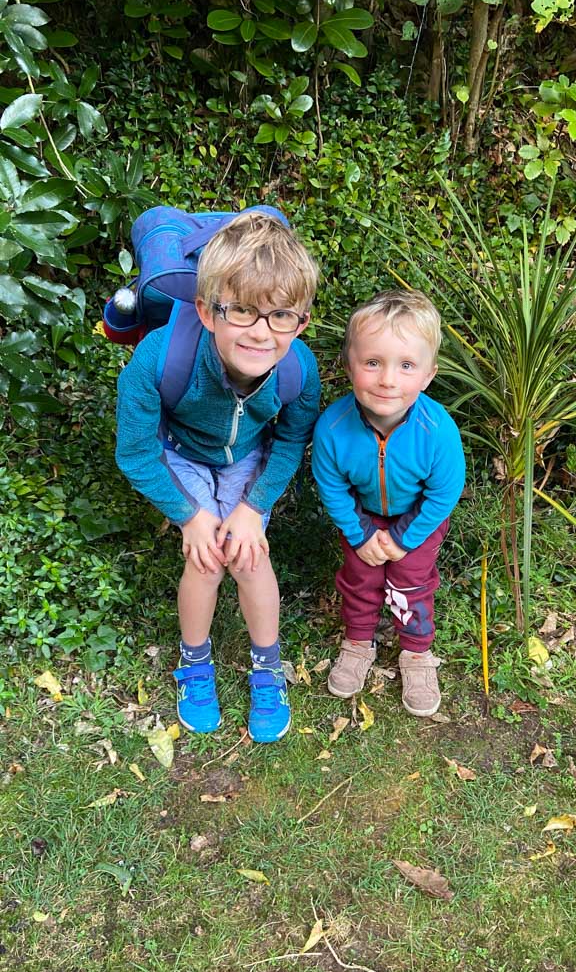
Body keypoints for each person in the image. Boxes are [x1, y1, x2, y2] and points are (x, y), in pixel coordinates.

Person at [116, 212, 320, 742]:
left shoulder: (299, 368)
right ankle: (194, 662)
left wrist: (253, 508)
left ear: (300, 322)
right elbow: (136, 453)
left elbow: (291, 440)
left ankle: (268, 668)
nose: (261, 332)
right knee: (206, 559)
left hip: (246, 457)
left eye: (280, 315)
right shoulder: (158, 358)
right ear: (207, 311)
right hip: (182, 453)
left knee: (249, 554)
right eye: (243, 311)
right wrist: (190, 516)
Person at [312, 289, 465, 717]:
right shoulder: (333, 427)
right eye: (373, 362)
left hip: (418, 520)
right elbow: (331, 486)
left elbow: (443, 493)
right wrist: (360, 534)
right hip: (362, 517)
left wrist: (401, 540)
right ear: (348, 366)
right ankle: (358, 641)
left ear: (428, 375)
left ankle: (416, 651)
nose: (388, 380)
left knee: (410, 582)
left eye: (406, 366)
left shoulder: (438, 430)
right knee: (360, 579)